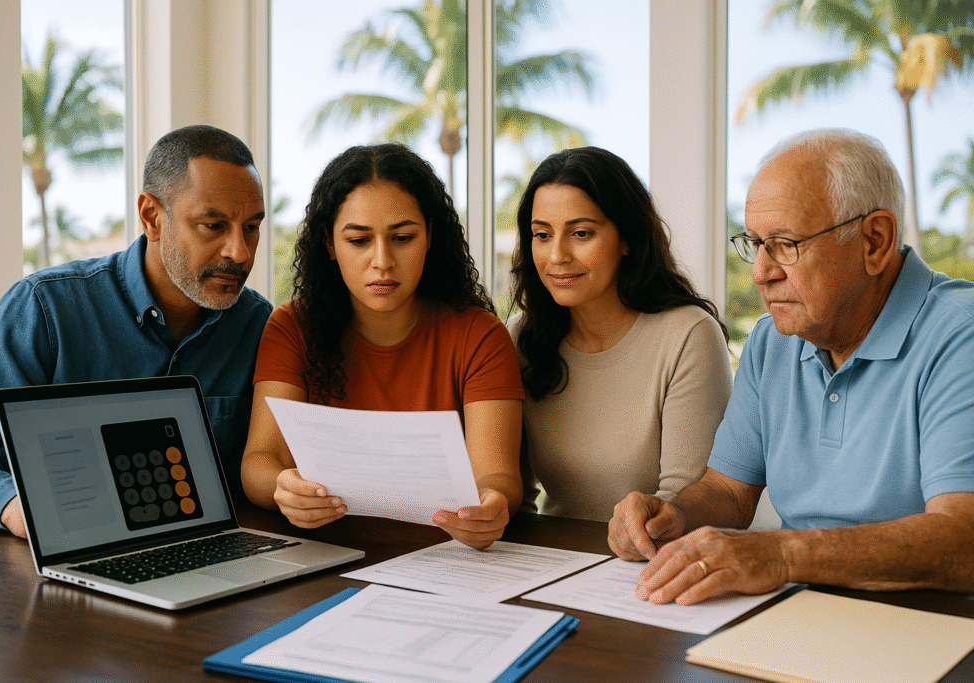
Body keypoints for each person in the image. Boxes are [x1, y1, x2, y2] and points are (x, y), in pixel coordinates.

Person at [609, 128, 974, 605]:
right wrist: (673, 515)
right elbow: (730, 493)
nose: (760, 272)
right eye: (755, 243)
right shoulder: (772, 339)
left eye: (785, 244)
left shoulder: (959, 334)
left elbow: (963, 542)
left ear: (875, 241)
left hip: (929, 625)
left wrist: (780, 556)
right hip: (798, 615)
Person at [0, 124, 272, 537]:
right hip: (63, 565)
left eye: (251, 227)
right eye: (214, 226)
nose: (240, 253)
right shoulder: (43, 308)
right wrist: (17, 509)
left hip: (211, 559)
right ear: (152, 217)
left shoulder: (258, 326)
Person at [241, 143, 524, 550]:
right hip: (323, 556)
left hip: (446, 559)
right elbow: (259, 462)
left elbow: (497, 478)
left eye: (403, 237)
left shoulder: (480, 336)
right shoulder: (292, 327)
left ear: (430, 237)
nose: (382, 261)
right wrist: (283, 488)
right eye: (358, 240)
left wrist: (492, 505)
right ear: (329, 244)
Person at [507, 146, 733, 522]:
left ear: (627, 238)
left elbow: (683, 505)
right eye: (542, 235)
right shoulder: (521, 337)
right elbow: (517, 498)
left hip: (656, 558)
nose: (557, 255)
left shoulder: (688, 335)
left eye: (581, 233)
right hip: (556, 558)